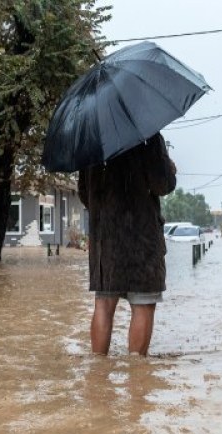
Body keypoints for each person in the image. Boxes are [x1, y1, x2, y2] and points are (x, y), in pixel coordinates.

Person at [78, 133, 176, 356]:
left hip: (105, 238)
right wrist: (169, 168)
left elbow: (85, 194)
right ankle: (137, 375)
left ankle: (98, 371)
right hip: (141, 237)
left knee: (103, 305)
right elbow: (163, 185)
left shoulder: (92, 141)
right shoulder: (147, 136)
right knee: (143, 303)